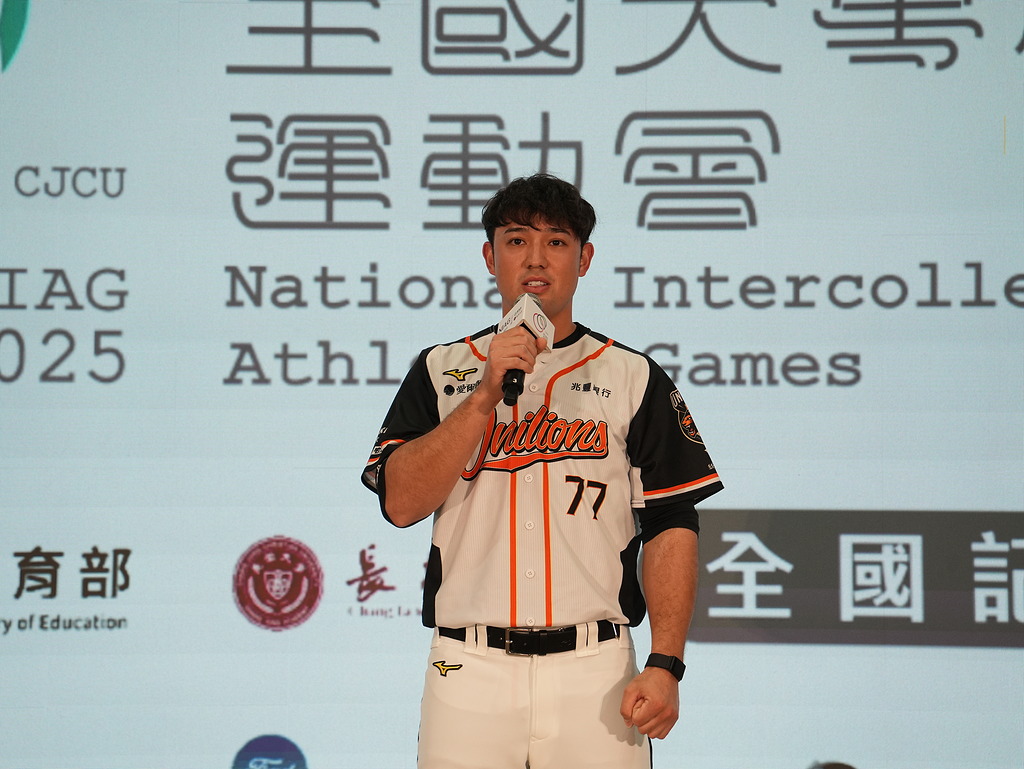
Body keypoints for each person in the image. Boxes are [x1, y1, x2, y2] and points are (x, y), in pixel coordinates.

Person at [361, 173, 723, 769]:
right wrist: (483, 396)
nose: (535, 259)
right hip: (467, 666)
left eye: (556, 241)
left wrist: (666, 662)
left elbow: (671, 522)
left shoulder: (632, 375)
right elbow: (400, 504)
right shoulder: (440, 370)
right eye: (516, 240)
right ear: (489, 257)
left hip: (596, 669)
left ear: (584, 259)